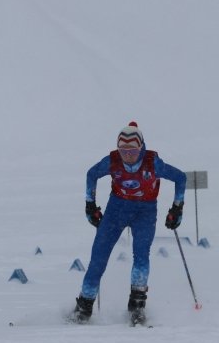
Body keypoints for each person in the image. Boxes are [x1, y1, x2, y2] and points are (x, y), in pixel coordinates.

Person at [72, 121, 187, 325]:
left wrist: (177, 207)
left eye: (132, 151)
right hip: (117, 208)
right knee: (99, 255)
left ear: (141, 148)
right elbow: (91, 174)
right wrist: (90, 205)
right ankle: (84, 306)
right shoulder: (112, 161)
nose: (127, 156)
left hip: (145, 210)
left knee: (141, 256)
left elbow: (180, 178)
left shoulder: (153, 163)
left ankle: (137, 307)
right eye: (123, 150)